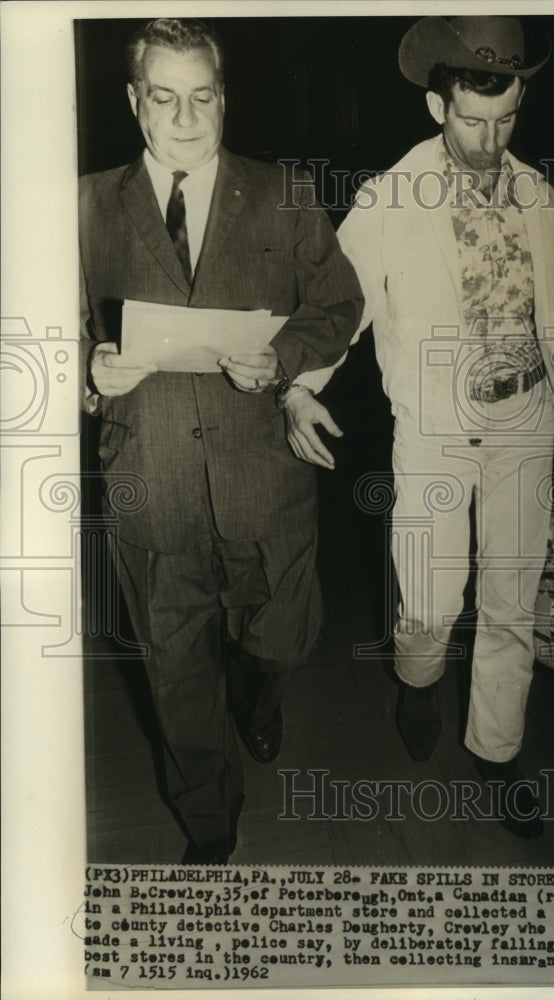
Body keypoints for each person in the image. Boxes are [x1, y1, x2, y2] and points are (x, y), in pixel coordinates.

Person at [282, 16, 554, 838]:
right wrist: (300, 388)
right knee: (429, 598)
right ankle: (418, 680)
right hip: (432, 426)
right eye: (470, 120)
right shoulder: (390, 196)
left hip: (524, 414)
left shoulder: (539, 195)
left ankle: (496, 748)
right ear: (435, 104)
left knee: (510, 595)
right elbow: (341, 304)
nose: (489, 141)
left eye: (505, 121)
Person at [79, 18, 363, 863]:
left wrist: (283, 357)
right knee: (176, 671)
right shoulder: (86, 204)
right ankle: (210, 822)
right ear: (135, 102)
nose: (186, 118)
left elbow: (338, 306)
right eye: (164, 98)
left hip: (261, 475)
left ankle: (261, 687)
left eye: (203, 97)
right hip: (148, 476)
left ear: (224, 96)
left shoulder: (285, 193)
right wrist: (88, 366)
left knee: (279, 633)